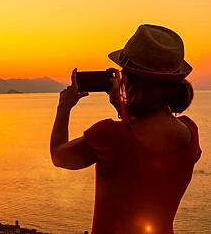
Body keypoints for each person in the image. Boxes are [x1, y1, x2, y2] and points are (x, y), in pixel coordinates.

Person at [50, 24, 202, 233]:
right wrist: (121, 107)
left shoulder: (109, 136)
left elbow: (59, 156)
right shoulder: (190, 134)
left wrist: (63, 107)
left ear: (129, 80)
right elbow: (147, 151)